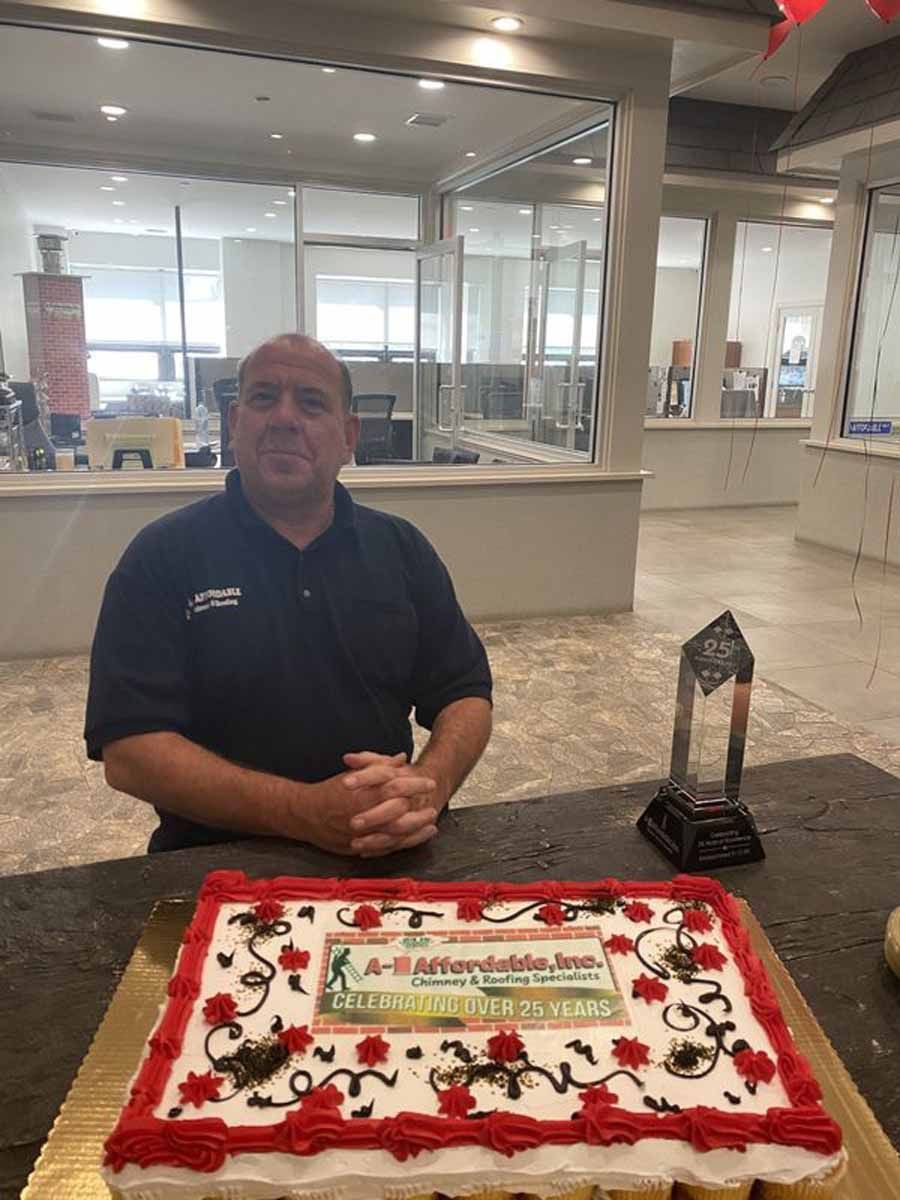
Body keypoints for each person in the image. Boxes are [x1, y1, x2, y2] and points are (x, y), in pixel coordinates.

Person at [84, 334, 492, 857]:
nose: (283, 417)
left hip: (387, 852)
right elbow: (130, 751)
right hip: (215, 860)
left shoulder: (400, 548)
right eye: (263, 398)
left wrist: (430, 787)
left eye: (311, 401)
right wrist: (302, 812)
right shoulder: (163, 556)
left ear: (349, 436)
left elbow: (465, 692)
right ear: (234, 423)